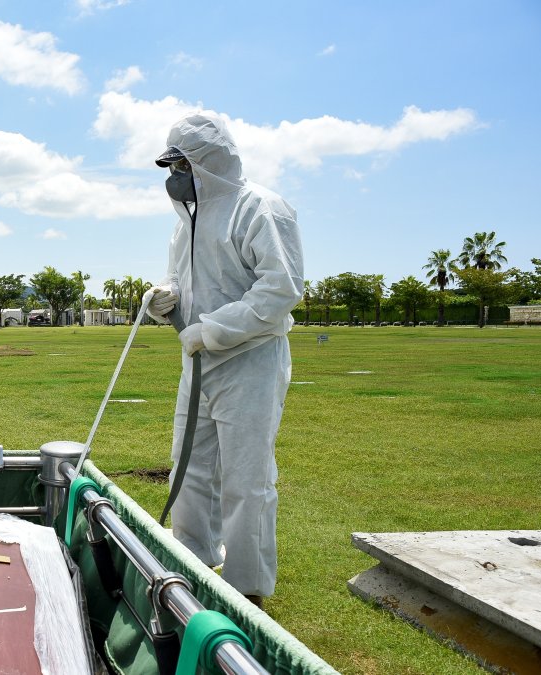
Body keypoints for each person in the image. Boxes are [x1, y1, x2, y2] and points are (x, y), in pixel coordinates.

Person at [145, 113, 303, 608]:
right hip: (198, 360)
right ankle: (191, 559)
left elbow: (279, 289)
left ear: (207, 162)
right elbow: (185, 278)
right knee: (188, 465)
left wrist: (212, 329)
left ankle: (246, 586)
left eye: (180, 163)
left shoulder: (260, 208)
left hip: (249, 359)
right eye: (168, 164)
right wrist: (165, 295)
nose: (173, 174)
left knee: (246, 476)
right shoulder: (186, 222)